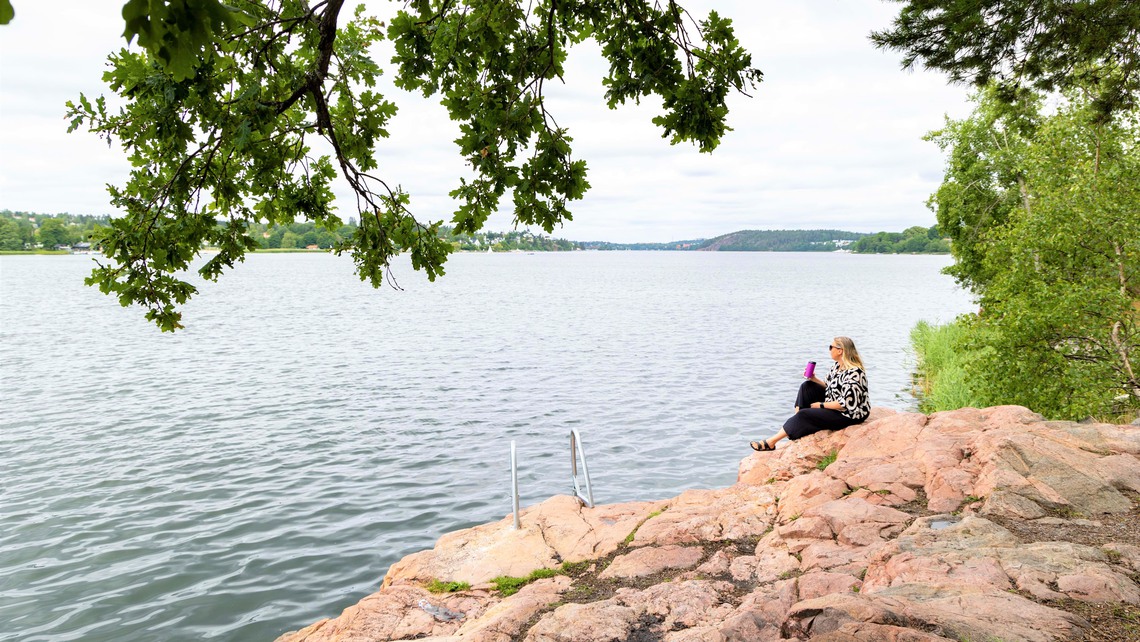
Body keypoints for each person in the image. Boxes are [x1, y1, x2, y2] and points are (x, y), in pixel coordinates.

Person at [750, 336, 870, 451]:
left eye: (831, 347)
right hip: (836, 402)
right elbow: (829, 386)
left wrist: (821, 405)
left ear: (840, 351)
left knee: (805, 414)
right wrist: (814, 379)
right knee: (806, 386)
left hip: (850, 415)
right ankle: (797, 421)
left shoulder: (855, 372)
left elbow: (846, 404)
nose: (829, 350)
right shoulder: (837, 366)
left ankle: (771, 442)